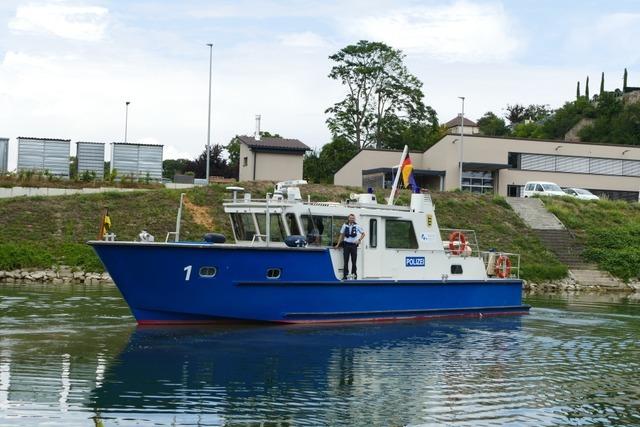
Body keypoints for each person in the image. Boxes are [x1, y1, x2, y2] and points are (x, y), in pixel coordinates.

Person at [334, 214, 365, 280]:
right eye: (350, 218)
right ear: (348, 218)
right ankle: (345, 276)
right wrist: (338, 244)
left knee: (354, 261)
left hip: (354, 245)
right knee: (345, 261)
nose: (352, 219)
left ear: (354, 219)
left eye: (353, 218)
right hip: (346, 245)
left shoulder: (357, 226)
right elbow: (341, 235)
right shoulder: (345, 225)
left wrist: (359, 240)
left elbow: (363, 234)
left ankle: (354, 276)